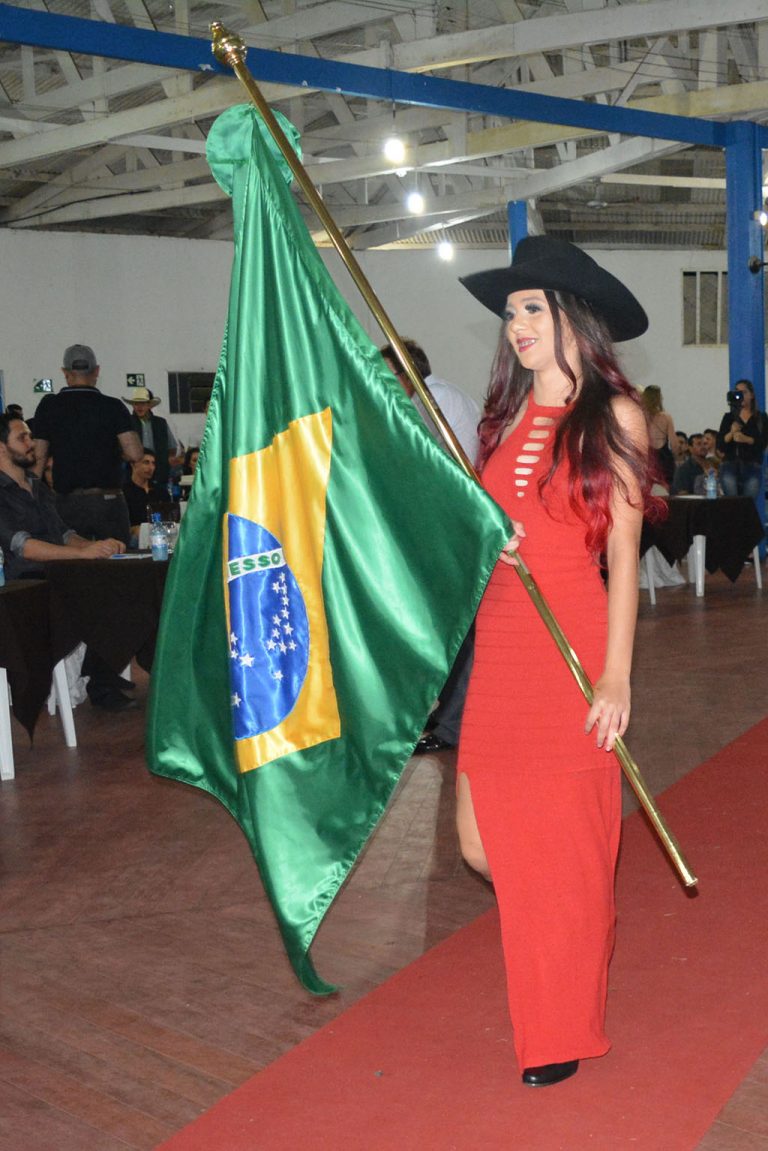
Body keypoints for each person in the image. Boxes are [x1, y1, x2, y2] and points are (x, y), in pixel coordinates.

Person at [456, 236, 659, 1088]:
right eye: (510, 312)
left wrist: (616, 674)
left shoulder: (615, 418)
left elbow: (623, 555)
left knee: (565, 851)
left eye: (531, 307)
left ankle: (559, 1023)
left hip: (570, 643)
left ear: (574, 316)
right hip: (500, 645)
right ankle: (563, 930)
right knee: (481, 844)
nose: (516, 324)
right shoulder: (500, 420)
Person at [380, 338, 480, 754]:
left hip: (452, 527)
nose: (380, 382)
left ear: (408, 373)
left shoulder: (435, 401)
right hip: (443, 526)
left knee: (458, 631)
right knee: (447, 628)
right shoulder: (431, 398)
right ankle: (445, 716)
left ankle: (452, 724)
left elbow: (437, 469)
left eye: (386, 374)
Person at [0, 413, 136, 711]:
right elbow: (23, 546)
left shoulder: (37, 486)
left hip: (60, 570)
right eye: (22, 437)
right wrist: (82, 554)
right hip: (24, 584)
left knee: (123, 582)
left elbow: (63, 534)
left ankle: (100, 673)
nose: (31, 443)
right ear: (1, 448)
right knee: (97, 594)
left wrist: (96, 546)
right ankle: (100, 681)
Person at [33, 345, 142, 546]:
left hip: (67, 502)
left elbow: (38, 458)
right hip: (108, 501)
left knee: (71, 560)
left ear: (65, 373)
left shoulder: (49, 406)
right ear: (97, 371)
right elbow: (135, 454)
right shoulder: (113, 406)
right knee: (117, 559)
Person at [716, 379, 767, 498]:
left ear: (751, 395)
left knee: (748, 504)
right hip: (730, 465)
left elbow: (763, 443)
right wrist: (731, 433)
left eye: (744, 392)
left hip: (752, 466)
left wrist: (747, 439)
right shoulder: (729, 417)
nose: (740, 396)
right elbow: (720, 445)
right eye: (737, 392)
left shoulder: (761, 418)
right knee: (732, 503)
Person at [124, 387, 182, 489]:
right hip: (135, 471)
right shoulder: (127, 423)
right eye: (136, 404)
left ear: (149, 405)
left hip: (158, 471)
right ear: (133, 405)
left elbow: (172, 447)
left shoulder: (160, 423)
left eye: (143, 404)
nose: (139, 407)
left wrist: (165, 462)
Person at [123, 449, 165, 541]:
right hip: (133, 536)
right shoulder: (124, 492)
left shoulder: (160, 491)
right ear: (133, 464)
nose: (151, 467)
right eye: (146, 462)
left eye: (153, 463)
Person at [640, 385, 676, 486]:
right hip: (664, 457)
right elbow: (674, 444)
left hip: (648, 457)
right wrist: (676, 456)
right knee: (667, 487)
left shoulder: (641, 416)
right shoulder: (666, 417)